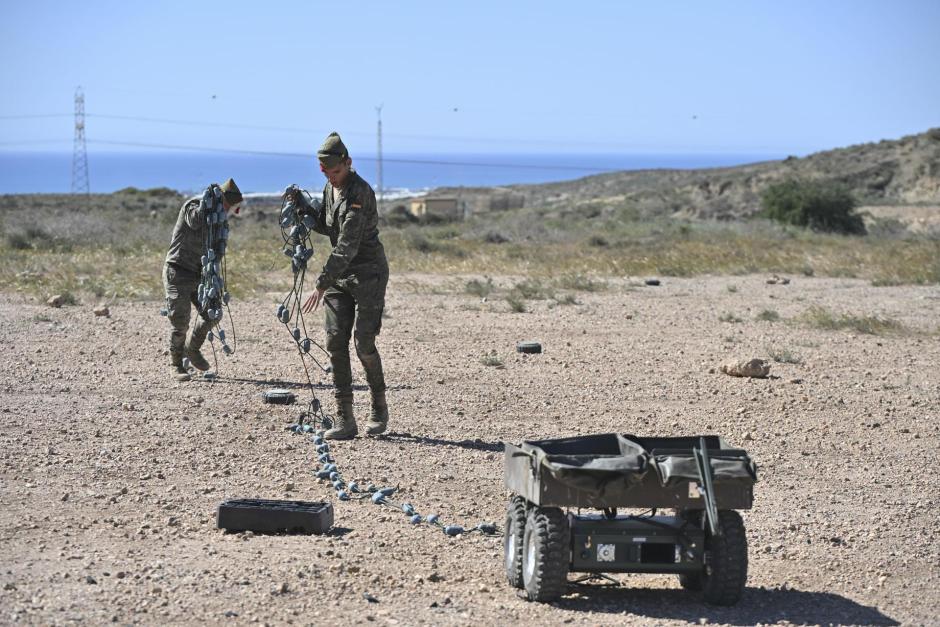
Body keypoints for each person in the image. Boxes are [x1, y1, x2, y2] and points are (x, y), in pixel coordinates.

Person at [290, 132, 390, 440]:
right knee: (335, 343)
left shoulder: (359, 193)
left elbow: (346, 244)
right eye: (326, 174)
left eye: (336, 172)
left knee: (363, 344)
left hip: (367, 274)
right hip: (340, 278)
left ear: (347, 162)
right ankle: (345, 419)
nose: (332, 178)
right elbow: (327, 224)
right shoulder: (331, 188)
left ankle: (378, 407)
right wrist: (304, 209)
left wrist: (320, 284)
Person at [163, 178, 242, 381]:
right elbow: (195, 221)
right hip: (178, 270)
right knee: (180, 321)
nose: (227, 212)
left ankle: (192, 349)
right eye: (226, 206)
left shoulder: (220, 222)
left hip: (200, 274)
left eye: (230, 209)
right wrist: (210, 203)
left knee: (213, 314)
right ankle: (176, 364)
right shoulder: (194, 206)